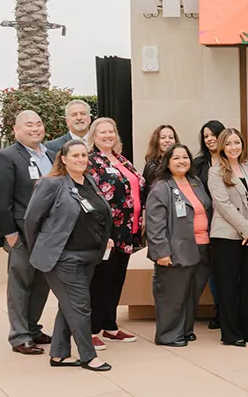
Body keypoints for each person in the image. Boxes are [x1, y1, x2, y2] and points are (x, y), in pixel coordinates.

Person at [23, 139, 112, 372]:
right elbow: (32, 220)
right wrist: (41, 248)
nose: (81, 160)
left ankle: (59, 354)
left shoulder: (90, 182)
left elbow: (97, 215)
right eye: (75, 156)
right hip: (64, 257)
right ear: (63, 159)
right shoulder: (51, 184)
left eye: (84, 155)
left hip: (90, 256)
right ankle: (88, 356)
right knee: (80, 306)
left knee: (69, 305)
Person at [0, 110, 53, 355]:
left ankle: (33, 328)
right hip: (22, 234)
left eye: (38, 123)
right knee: (20, 285)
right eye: (28, 125)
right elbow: (0, 200)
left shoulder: (53, 156)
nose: (35, 128)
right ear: (16, 130)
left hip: (49, 234)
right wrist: (10, 233)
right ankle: (20, 335)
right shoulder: (5, 157)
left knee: (42, 284)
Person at [144, 143, 211, 347]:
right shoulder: (161, 187)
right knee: (172, 294)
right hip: (175, 249)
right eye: (176, 158)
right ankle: (168, 335)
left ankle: (184, 330)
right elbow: (155, 225)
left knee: (192, 293)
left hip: (201, 246)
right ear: (167, 162)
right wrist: (161, 252)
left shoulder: (195, 181)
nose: (182, 161)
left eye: (185, 157)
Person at [86, 117, 144, 347]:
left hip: (128, 231)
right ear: (94, 136)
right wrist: (103, 232)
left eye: (111, 131)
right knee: (100, 280)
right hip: (107, 232)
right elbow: (91, 197)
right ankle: (90, 330)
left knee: (116, 279)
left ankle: (110, 325)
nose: (108, 135)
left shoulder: (121, 159)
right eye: (102, 132)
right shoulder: (92, 161)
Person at [207, 127, 248, 347]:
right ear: (222, 146)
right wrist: (246, 229)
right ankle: (231, 334)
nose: (234, 147)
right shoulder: (215, 172)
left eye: (237, 143)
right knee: (229, 286)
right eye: (229, 143)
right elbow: (223, 204)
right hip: (227, 237)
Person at [193, 119, 226, 329]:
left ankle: (228, 309)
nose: (210, 139)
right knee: (213, 269)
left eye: (213, 134)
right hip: (206, 223)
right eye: (206, 136)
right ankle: (219, 309)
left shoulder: (232, 159)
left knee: (227, 268)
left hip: (229, 223)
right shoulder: (198, 164)